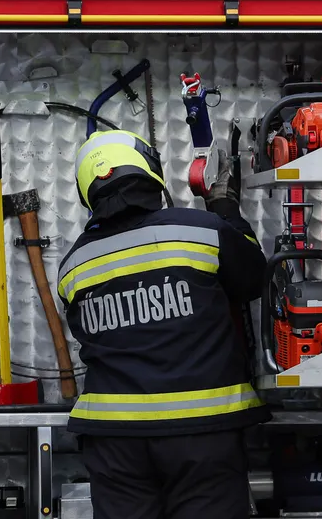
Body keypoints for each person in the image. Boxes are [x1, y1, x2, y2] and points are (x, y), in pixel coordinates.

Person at [58, 129, 270, 519]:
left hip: (115, 444)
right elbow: (255, 279)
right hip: (202, 436)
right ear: (148, 171)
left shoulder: (73, 266)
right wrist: (224, 208)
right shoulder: (201, 232)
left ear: (87, 190)